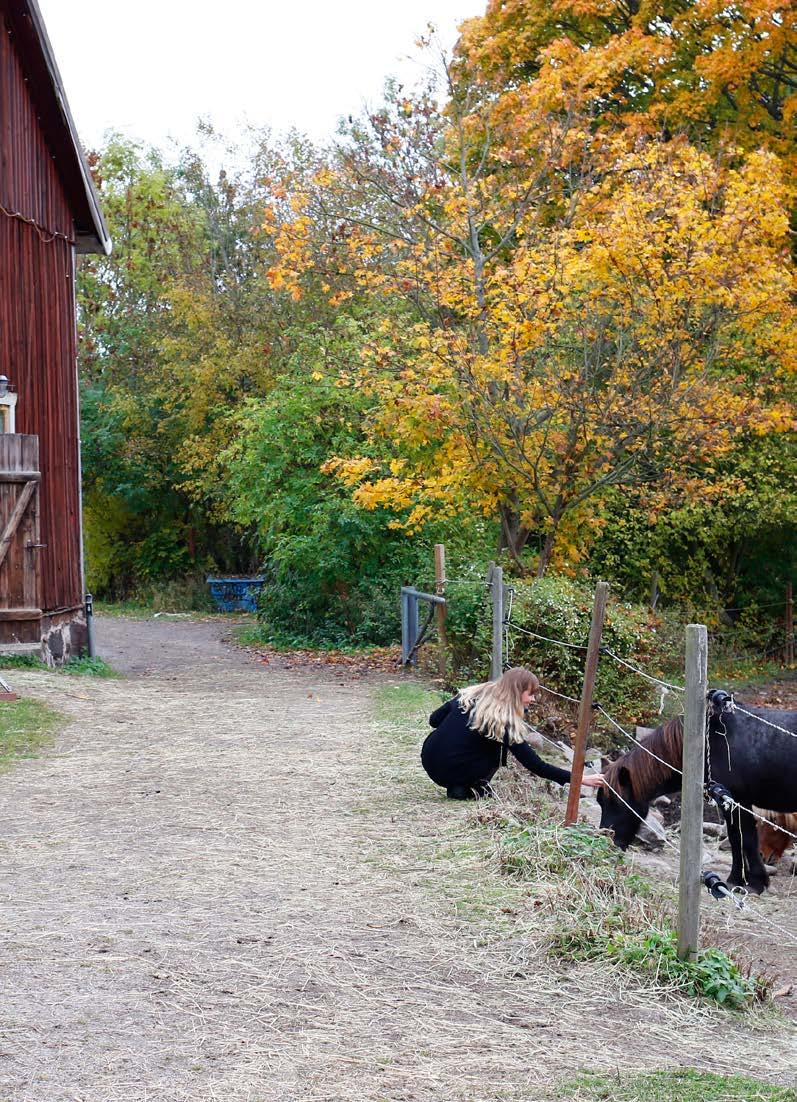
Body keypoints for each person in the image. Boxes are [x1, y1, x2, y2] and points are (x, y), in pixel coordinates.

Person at [421, 666, 605, 799]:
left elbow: (434, 720)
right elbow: (536, 765)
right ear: (517, 693)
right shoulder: (502, 723)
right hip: (456, 770)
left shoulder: (469, 695)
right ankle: (472, 785)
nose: (532, 700)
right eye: (530, 694)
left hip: (429, 760)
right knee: (495, 747)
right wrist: (581, 779)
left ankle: (462, 784)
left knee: (482, 741)